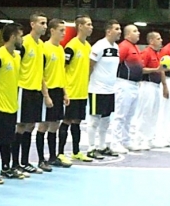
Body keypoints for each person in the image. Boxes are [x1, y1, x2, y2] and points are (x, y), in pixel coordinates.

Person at [14, 12, 52, 176]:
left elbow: (41, 72)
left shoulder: (41, 46)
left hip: (36, 91)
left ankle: (25, 161)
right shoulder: (24, 43)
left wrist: (45, 94)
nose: (45, 26)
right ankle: (14, 163)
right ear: (32, 24)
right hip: (23, 88)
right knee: (20, 126)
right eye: (42, 23)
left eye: (46, 23)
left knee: (31, 126)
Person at [0, 23, 23, 183]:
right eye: (20, 35)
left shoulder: (17, 56)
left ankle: (6, 168)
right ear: (13, 37)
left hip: (11, 105)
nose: (22, 39)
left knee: (7, 139)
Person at [36, 18, 70, 170]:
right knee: (43, 125)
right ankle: (40, 159)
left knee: (55, 125)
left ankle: (52, 157)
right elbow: (40, 73)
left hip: (58, 91)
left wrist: (64, 93)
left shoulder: (61, 49)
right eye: (61, 30)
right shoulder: (44, 48)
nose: (64, 33)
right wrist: (46, 95)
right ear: (52, 31)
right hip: (47, 91)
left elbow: (61, 72)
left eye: (65, 30)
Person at [59, 15, 94, 162]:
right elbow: (62, 68)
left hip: (82, 91)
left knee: (77, 122)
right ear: (80, 26)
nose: (91, 27)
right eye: (88, 24)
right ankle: (60, 153)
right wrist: (64, 90)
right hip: (71, 91)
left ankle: (76, 151)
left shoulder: (87, 46)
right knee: (66, 121)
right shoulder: (71, 46)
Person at [89, 20, 123, 157]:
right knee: (94, 120)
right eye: (116, 28)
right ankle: (91, 148)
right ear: (108, 31)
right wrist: (88, 83)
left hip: (110, 89)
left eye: (120, 28)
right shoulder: (99, 46)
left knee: (106, 120)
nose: (119, 31)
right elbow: (90, 65)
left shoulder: (116, 47)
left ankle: (102, 146)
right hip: (97, 89)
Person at [131, 31, 168, 148]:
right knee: (145, 113)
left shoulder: (158, 54)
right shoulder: (146, 52)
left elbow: (161, 70)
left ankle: (149, 138)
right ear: (151, 41)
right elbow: (140, 69)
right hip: (147, 85)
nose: (161, 40)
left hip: (156, 86)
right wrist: (155, 69)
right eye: (158, 38)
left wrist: (164, 85)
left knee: (154, 113)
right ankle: (139, 139)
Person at [111, 23, 143, 152]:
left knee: (130, 116)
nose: (138, 33)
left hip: (135, 85)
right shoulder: (123, 47)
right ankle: (115, 142)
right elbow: (115, 64)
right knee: (121, 115)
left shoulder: (135, 47)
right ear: (128, 34)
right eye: (135, 31)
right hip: (124, 84)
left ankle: (126, 140)